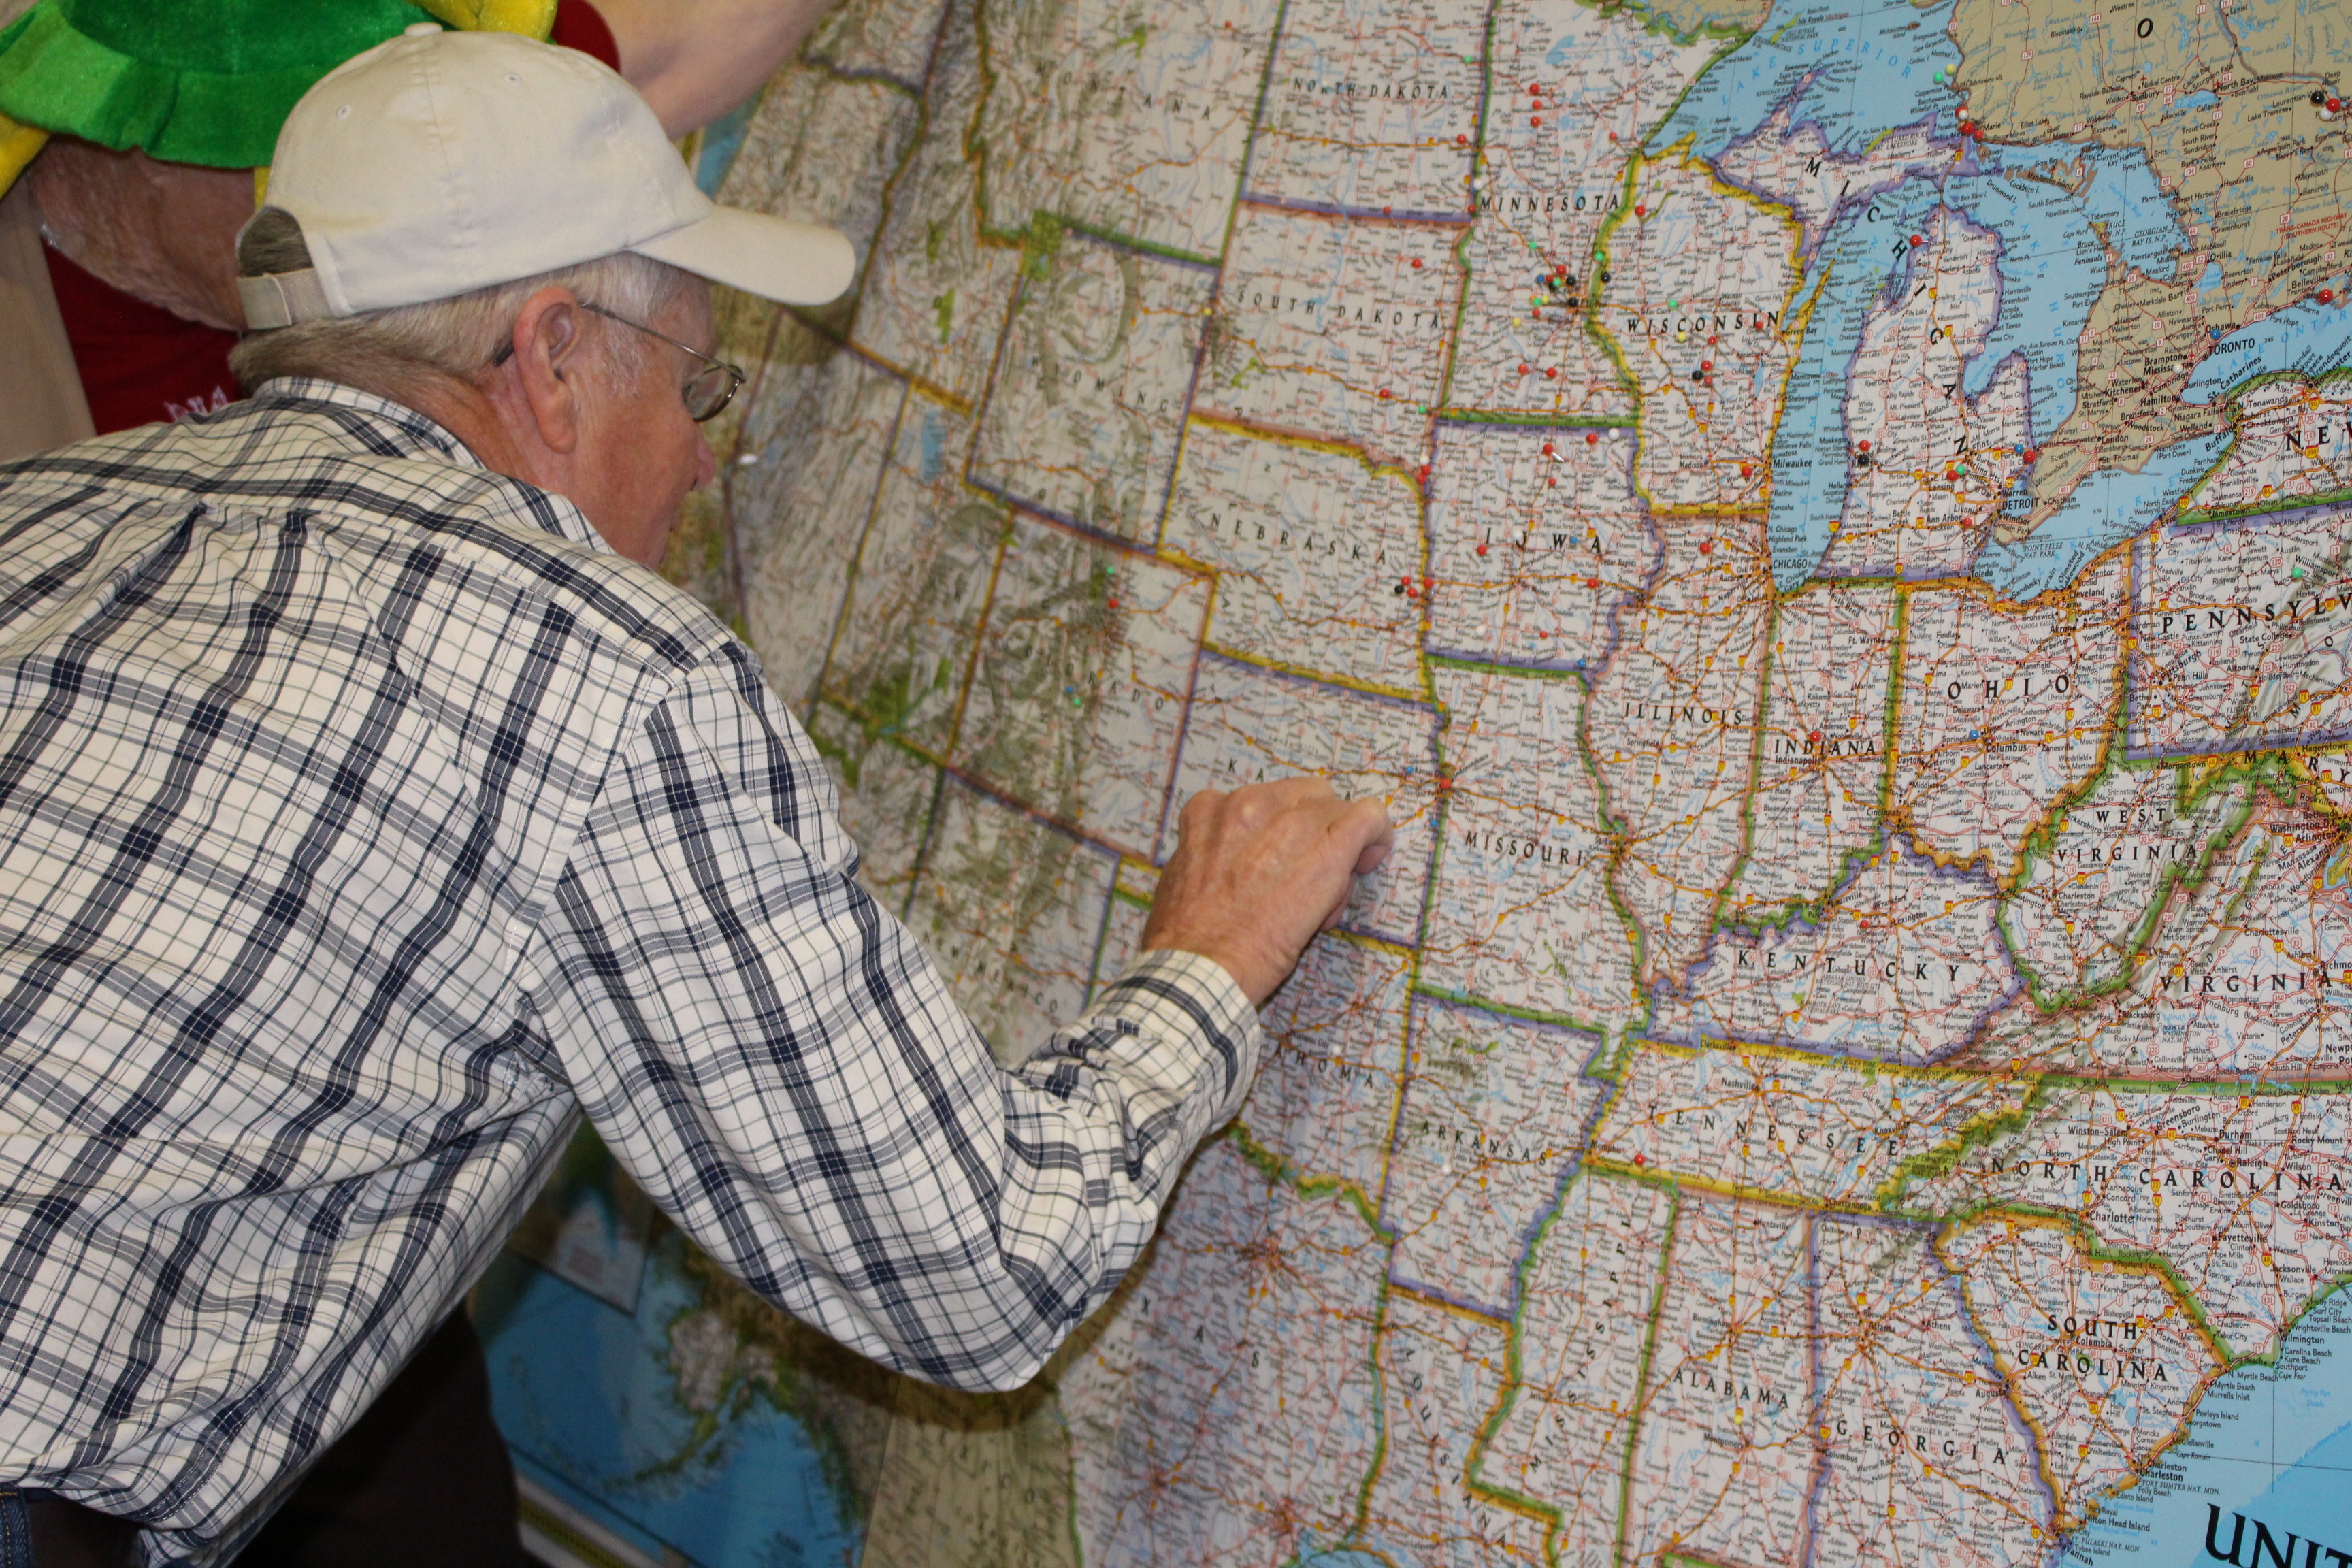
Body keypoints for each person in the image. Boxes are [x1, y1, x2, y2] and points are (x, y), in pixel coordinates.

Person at [0, 27, 1396, 1568]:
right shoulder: (598, 666)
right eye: (700, 383)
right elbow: (975, 1277)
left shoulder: (47, 511)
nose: (698, 460)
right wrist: (1209, 961)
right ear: (547, 358)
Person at [0, 0, 830, 457]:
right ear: (136, 142)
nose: (366, 182)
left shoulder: (416, 134)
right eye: (299, 144)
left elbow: (683, 44)